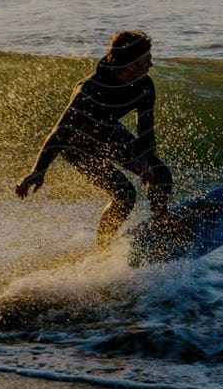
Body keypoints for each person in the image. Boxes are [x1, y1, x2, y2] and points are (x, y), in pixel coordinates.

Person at [15, 29, 174, 247]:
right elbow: (60, 131)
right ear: (130, 65)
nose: (151, 65)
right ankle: (102, 248)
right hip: (77, 145)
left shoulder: (145, 86)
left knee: (160, 174)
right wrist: (38, 169)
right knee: (124, 194)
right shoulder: (90, 90)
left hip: (108, 131)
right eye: (146, 61)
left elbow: (146, 129)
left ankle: (161, 223)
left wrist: (145, 159)